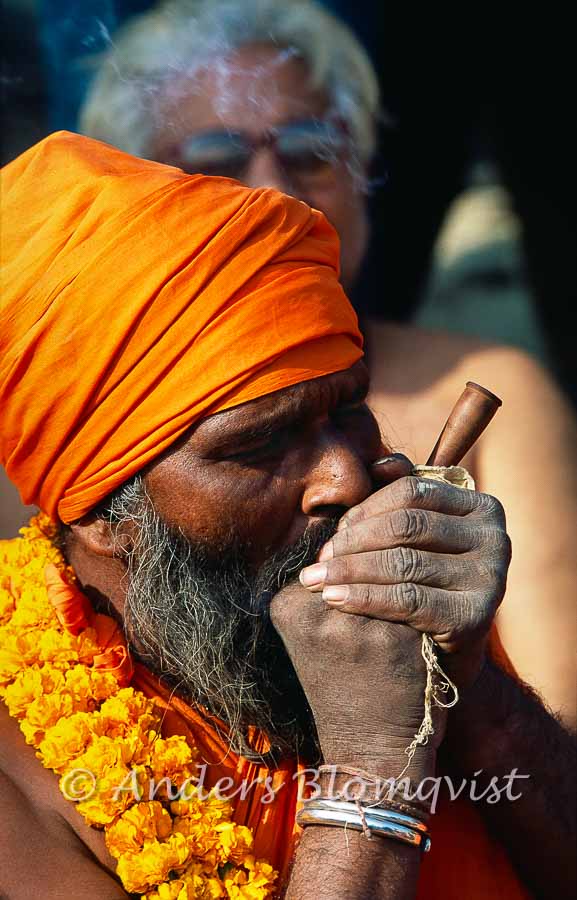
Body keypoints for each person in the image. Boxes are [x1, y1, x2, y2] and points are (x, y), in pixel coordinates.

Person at [1, 131, 575, 899]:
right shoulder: (22, 764)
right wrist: (373, 769)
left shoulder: (414, 637)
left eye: (347, 410)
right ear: (105, 515)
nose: (342, 478)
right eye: (257, 445)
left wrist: (470, 686)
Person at [78, 0, 577, 731]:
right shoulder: (68, 416)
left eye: (311, 150)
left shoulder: (492, 386)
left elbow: (561, 729)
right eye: (216, 161)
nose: (275, 191)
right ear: (136, 198)